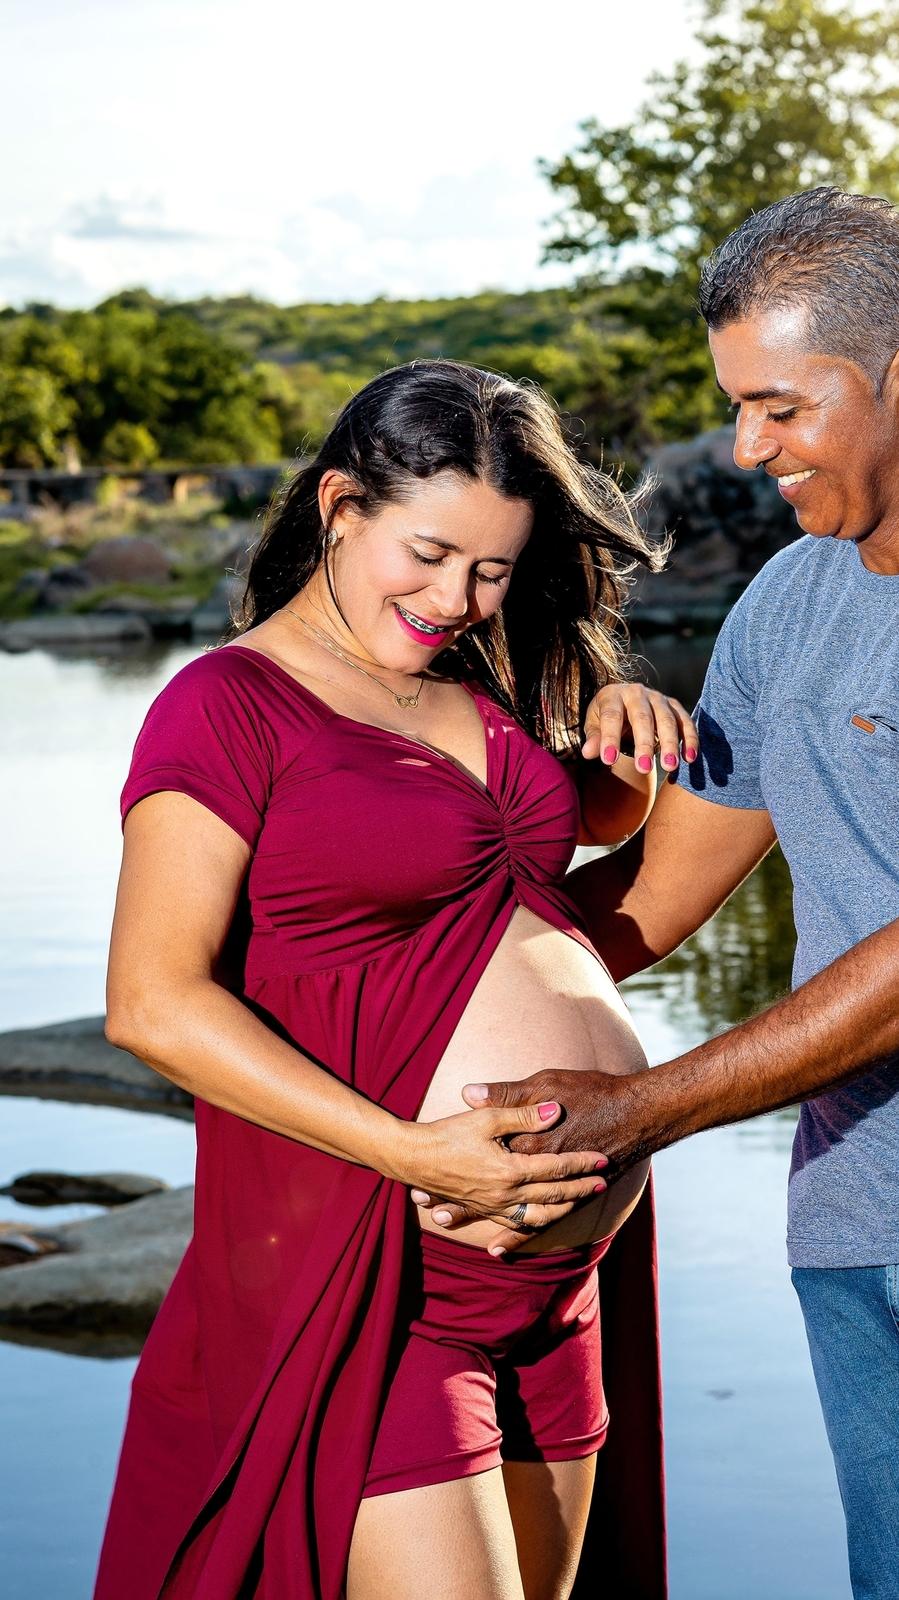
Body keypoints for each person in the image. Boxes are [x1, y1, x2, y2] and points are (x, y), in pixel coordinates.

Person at [444, 189, 899, 1599]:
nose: (748, 449)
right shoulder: (788, 604)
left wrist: (633, 1117)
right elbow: (655, 900)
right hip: (857, 1237)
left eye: (784, 408)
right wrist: (409, 988)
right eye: (738, 407)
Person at [94, 360, 697, 1600]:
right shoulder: (224, 709)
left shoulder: (476, 687)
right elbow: (152, 1001)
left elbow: (540, 883)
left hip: (554, 1293)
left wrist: (624, 728)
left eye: (492, 569)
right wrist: (416, 1153)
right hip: (390, 1282)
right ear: (339, 507)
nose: (456, 598)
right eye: (427, 553)